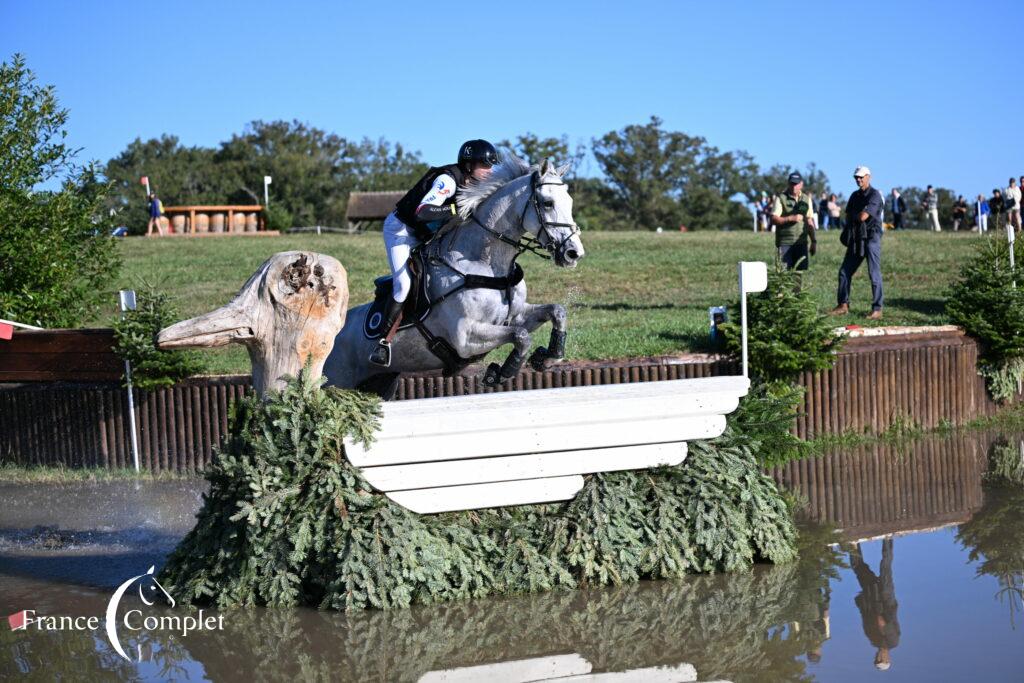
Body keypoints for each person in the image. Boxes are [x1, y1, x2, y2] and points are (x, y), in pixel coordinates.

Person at [369, 139, 498, 367]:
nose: (490, 171)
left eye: (491, 166)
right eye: (485, 165)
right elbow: (423, 212)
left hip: (427, 234)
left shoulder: (475, 183)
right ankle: (382, 343)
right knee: (404, 285)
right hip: (402, 230)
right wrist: (454, 209)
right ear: (469, 165)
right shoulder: (447, 181)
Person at [832, 166, 884, 319]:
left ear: (869, 177)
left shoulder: (875, 195)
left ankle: (877, 309)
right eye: (856, 177)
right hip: (856, 238)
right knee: (844, 271)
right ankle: (843, 305)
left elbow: (862, 217)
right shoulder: (854, 195)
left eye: (861, 177)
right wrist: (855, 216)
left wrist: (855, 215)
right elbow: (848, 216)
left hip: (871, 237)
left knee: (873, 273)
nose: (858, 179)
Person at [850, 539, 900, 672]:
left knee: (858, 567)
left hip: (871, 599)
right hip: (886, 599)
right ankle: (888, 538)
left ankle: (853, 542)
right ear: (888, 659)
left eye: (877, 659)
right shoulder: (893, 642)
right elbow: (882, 621)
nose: (878, 657)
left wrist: (862, 602)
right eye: (881, 660)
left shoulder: (873, 640)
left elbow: (865, 619)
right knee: (885, 567)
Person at [771, 172, 817, 270]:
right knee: (783, 276)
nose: (794, 186)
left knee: (798, 276)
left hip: (801, 243)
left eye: (796, 184)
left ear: (801, 184)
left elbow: (809, 221)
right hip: (784, 243)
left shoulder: (806, 199)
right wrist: (790, 218)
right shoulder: (781, 198)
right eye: (792, 183)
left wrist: (813, 241)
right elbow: (774, 219)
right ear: (788, 183)